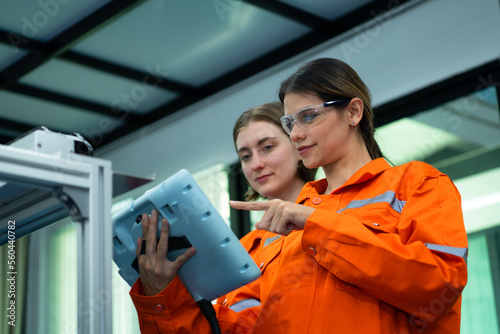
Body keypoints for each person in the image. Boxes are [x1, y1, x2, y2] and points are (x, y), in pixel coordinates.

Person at [229, 58, 468, 333]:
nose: (295, 134)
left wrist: (319, 224)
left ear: (353, 112)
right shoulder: (292, 221)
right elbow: (251, 326)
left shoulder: (419, 183)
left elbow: (441, 286)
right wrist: (173, 295)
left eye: (308, 116)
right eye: (289, 123)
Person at [129, 102, 316, 331]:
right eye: (245, 157)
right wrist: (162, 293)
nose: (256, 164)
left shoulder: (327, 221)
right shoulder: (241, 250)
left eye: (267, 147)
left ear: (299, 144)